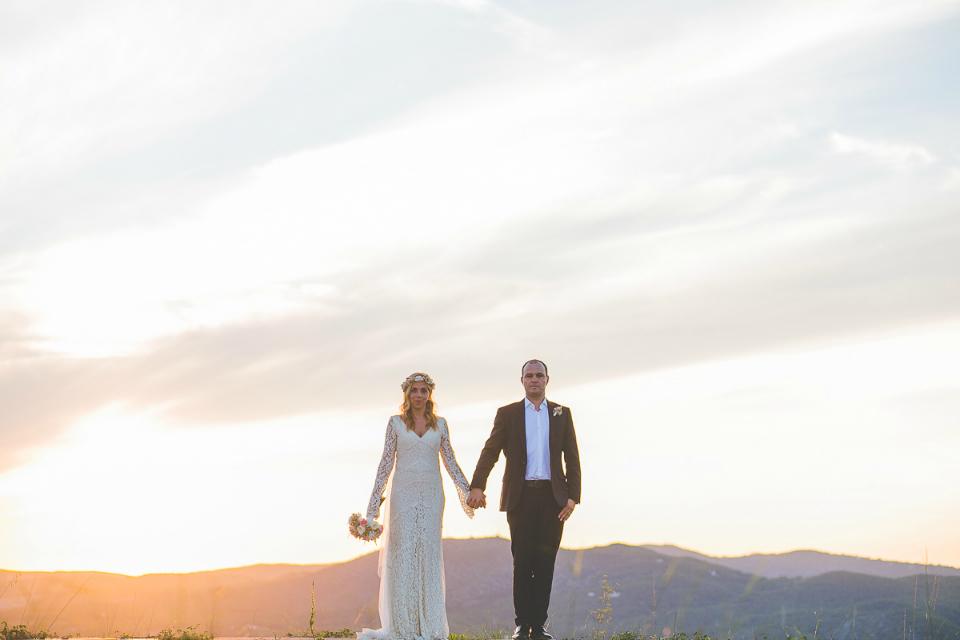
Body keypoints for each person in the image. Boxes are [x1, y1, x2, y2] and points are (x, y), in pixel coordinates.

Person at [467, 360, 582, 640]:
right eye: (529, 376)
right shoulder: (507, 414)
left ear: (547, 380)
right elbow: (490, 451)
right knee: (522, 561)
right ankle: (522, 625)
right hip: (520, 497)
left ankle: (539, 626)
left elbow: (572, 457)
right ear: (522, 381)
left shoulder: (561, 413)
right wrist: (478, 485)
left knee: (546, 562)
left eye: (538, 375)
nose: (534, 380)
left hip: (554, 499)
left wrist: (572, 498)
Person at [358, 372, 474, 640]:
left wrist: (468, 493)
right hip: (403, 496)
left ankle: (429, 625)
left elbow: (451, 462)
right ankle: (403, 625)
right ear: (407, 394)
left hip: (432, 496)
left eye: (423, 391)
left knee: (428, 556)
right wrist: (372, 507)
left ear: (429, 394)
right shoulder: (395, 424)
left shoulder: (441, 425)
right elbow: (385, 464)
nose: (419, 395)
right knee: (402, 557)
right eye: (414, 390)